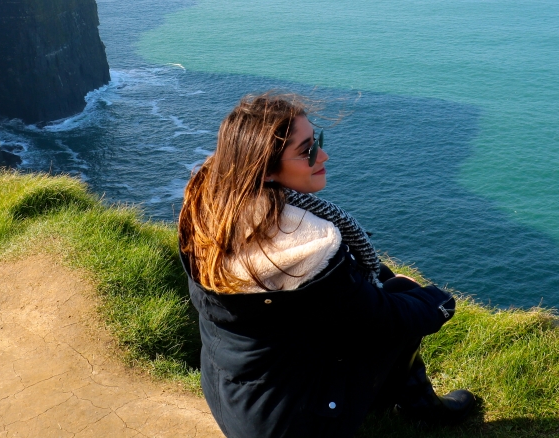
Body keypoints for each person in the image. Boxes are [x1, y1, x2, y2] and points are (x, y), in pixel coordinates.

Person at [178, 92, 479, 438]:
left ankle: (403, 399)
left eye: (317, 141)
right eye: (306, 150)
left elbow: (342, 294)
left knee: (388, 288)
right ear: (265, 167)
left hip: (234, 395)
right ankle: (424, 408)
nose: (323, 155)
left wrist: (382, 282)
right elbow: (380, 320)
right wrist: (437, 303)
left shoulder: (213, 213)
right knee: (403, 303)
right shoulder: (303, 246)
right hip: (287, 423)